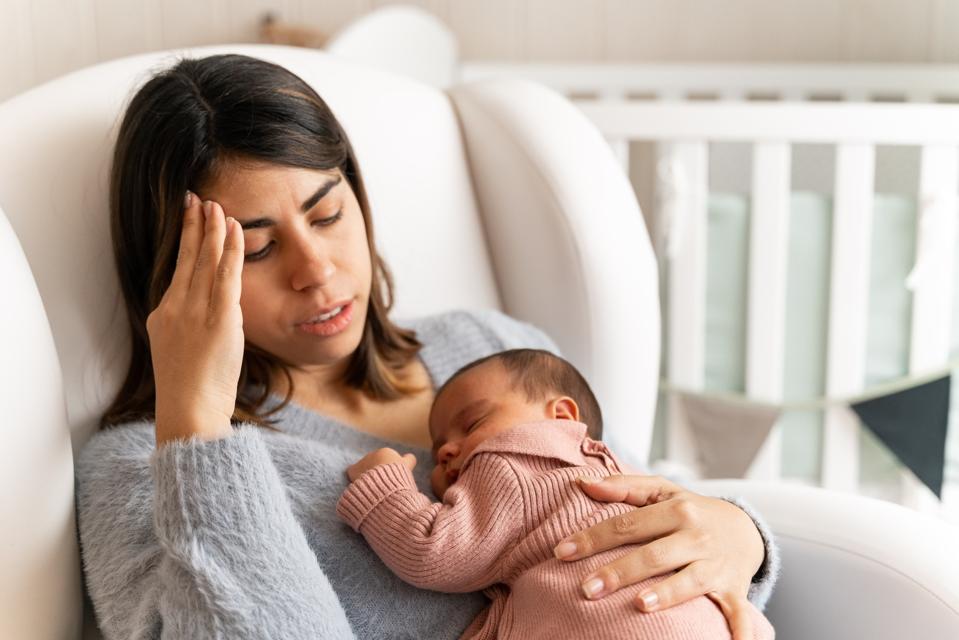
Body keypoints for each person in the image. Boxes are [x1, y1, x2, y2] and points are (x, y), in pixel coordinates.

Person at [74, 53, 780, 640]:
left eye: (327, 213)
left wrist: (738, 537)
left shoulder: (490, 346)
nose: (316, 271)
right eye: (256, 250)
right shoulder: (142, 467)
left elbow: (635, 516)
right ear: (174, 274)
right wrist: (198, 428)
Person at [338, 349, 775, 639]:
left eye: (471, 425)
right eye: (437, 453)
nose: (448, 450)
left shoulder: (514, 459)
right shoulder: (623, 477)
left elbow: (435, 552)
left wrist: (384, 489)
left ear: (560, 417)